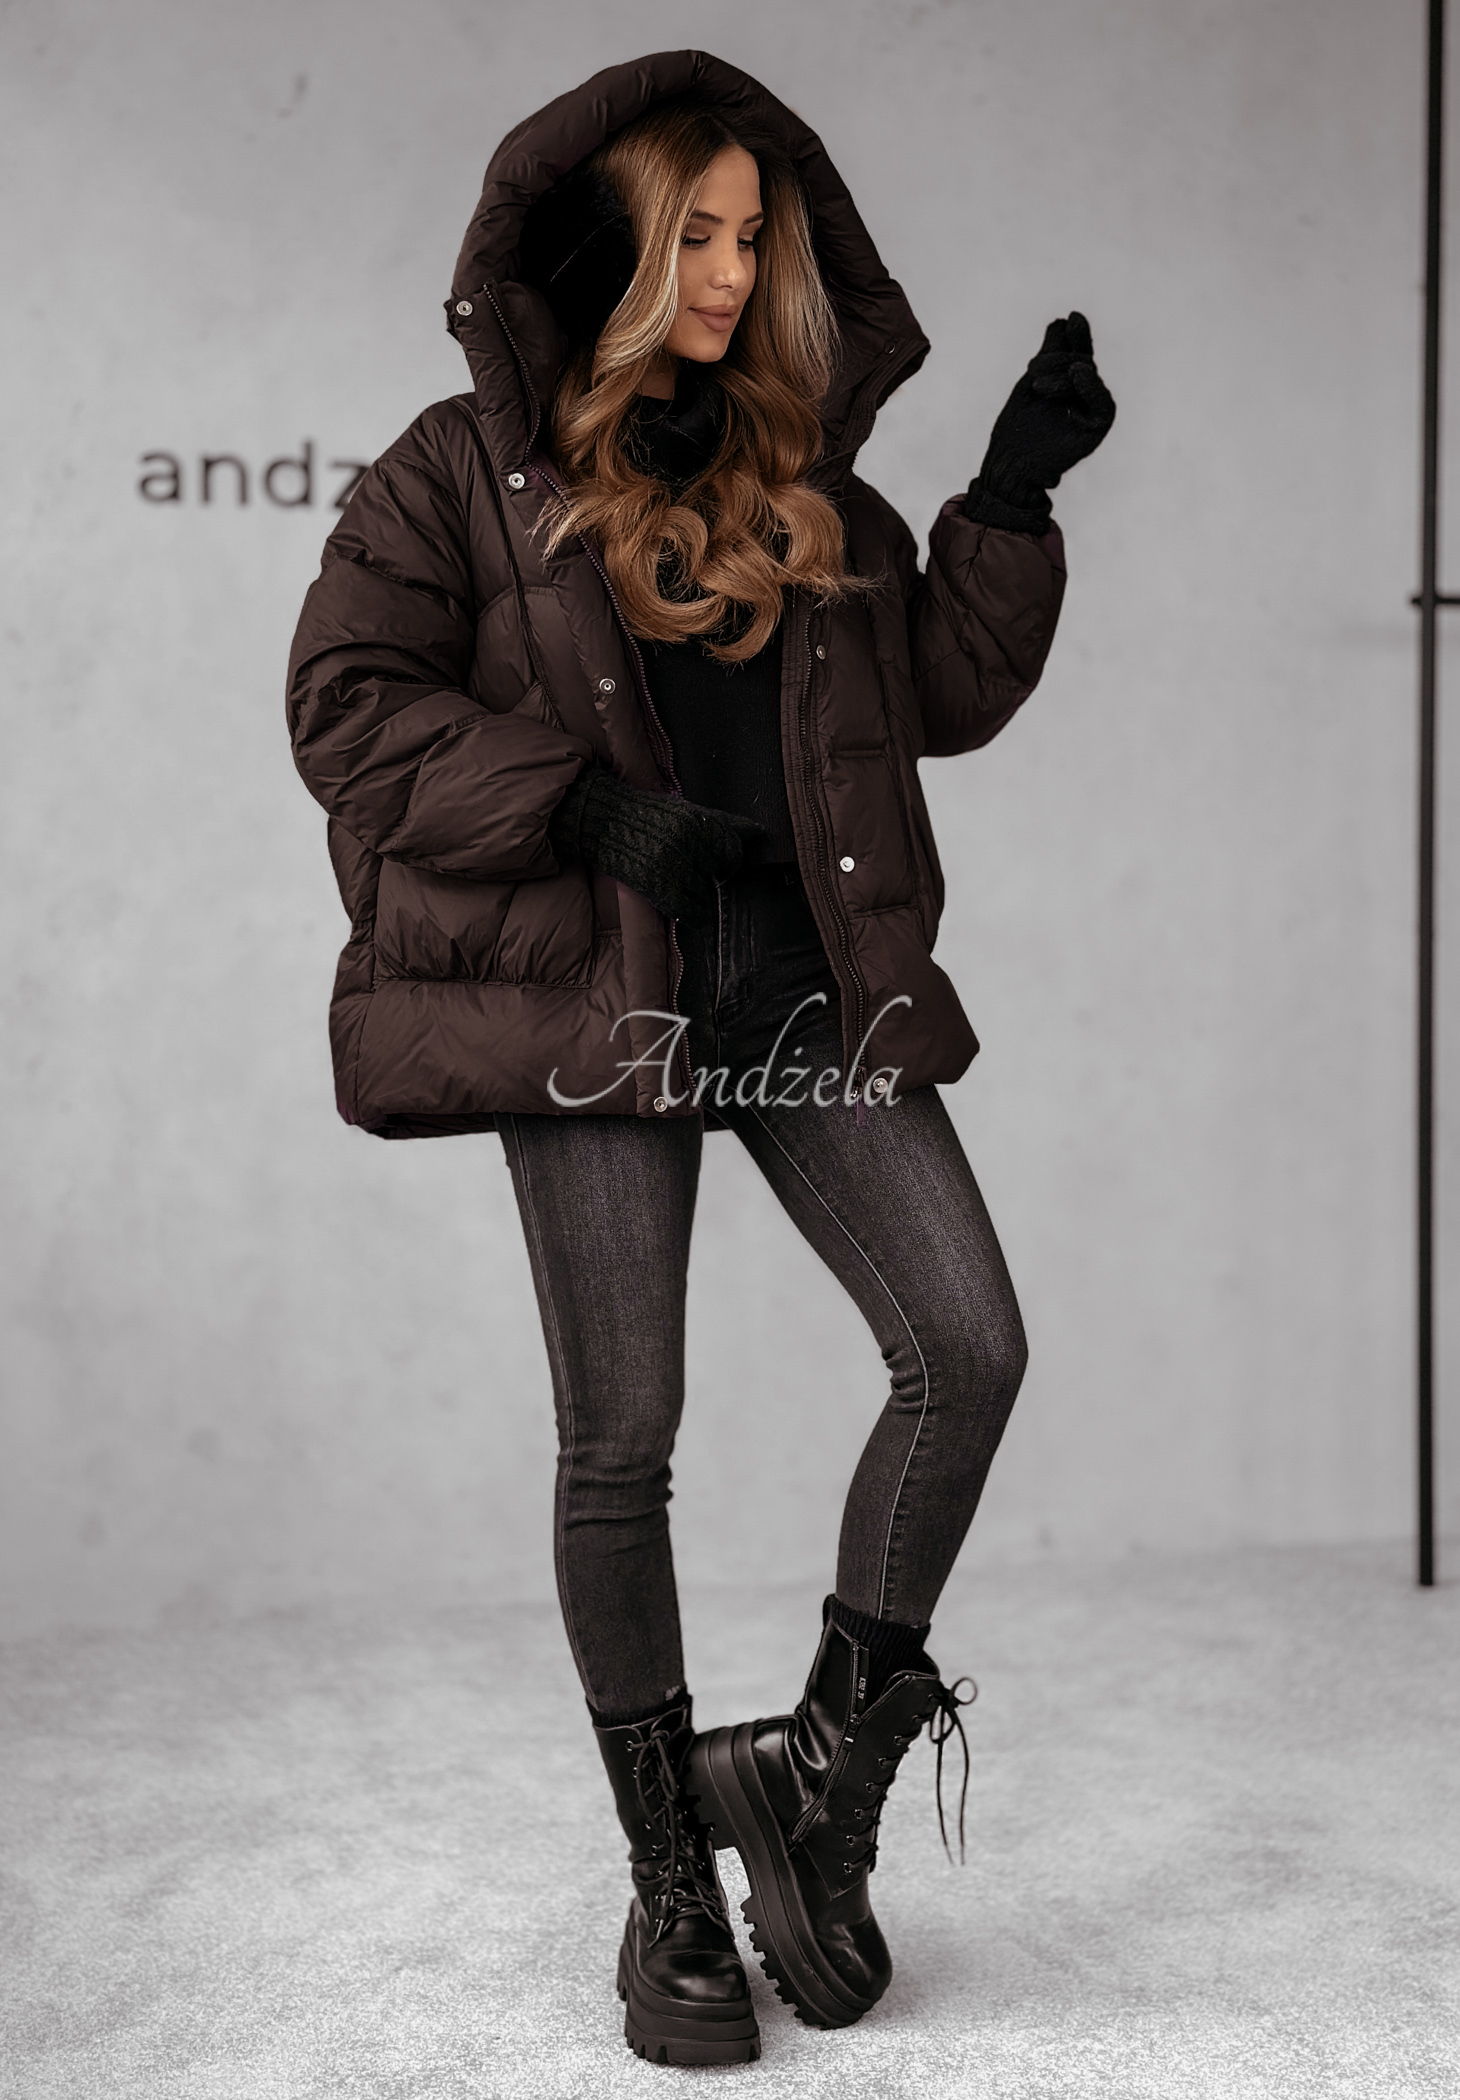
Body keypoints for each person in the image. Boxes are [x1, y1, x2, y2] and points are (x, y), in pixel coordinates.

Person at [287, 50, 1114, 2070]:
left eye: (759, 237)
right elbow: (345, 702)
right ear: (613, 249)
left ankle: (813, 1784)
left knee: (969, 1348)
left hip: (805, 991)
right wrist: (582, 810)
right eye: (702, 236)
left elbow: (934, 692)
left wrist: (1010, 499)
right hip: (612, 1000)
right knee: (622, 1436)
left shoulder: (796, 475)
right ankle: (670, 1877)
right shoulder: (457, 472)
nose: (739, 274)